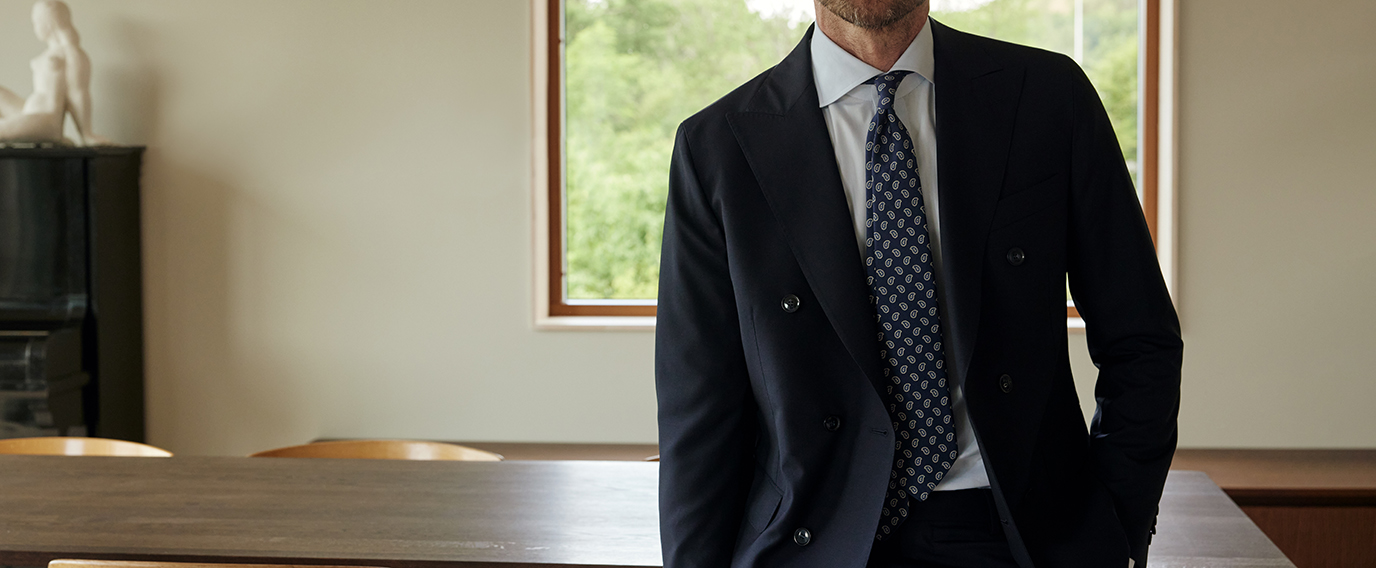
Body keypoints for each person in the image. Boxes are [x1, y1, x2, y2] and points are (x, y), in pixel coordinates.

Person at [654, 0, 1182, 566]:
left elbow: (1140, 335)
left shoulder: (1048, 96)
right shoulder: (717, 147)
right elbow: (699, 404)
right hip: (811, 535)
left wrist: (1117, 522)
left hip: (1018, 534)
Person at [0, 0, 109, 146]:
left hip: (46, 121)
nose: (35, 27)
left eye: (36, 22)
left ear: (48, 23)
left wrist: (86, 134)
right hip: (28, 112)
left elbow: (78, 93)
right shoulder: (49, 53)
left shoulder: (71, 54)